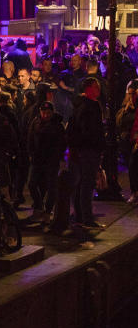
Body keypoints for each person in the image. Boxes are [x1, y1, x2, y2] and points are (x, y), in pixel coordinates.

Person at [65, 77, 105, 241]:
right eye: (95, 87)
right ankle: (86, 218)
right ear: (88, 89)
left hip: (82, 150)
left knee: (82, 183)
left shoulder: (80, 106)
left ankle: (81, 216)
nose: (98, 90)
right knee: (87, 184)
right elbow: (89, 130)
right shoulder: (89, 107)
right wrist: (96, 145)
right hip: (88, 150)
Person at [27, 102, 65, 222]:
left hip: (50, 161)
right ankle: (39, 206)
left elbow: (61, 144)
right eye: (43, 112)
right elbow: (30, 138)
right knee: (32, 184)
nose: (45, 114)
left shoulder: (57, 125)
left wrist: (57, 156)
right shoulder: (36, 122)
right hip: (37, 159)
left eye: (48, 112)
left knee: (51, 186)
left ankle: (47, 211)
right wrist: (31, 153)